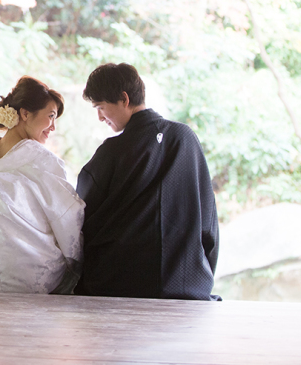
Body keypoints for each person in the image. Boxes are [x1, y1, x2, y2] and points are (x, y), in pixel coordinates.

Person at [75, 63, 220, 301]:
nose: (100, 117)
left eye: (101, 107)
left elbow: (80, 217)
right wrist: (200, 278)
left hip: (116, 287)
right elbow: (208, 224)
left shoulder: (112, 152)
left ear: (124, 99)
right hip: (186, 287)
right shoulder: (185, 140)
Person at [0, 76, 85, 294]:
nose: (53, 127)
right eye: (50, 116)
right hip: (32, 278)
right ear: (24, 114)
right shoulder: (41, 160)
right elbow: (67, 219)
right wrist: (76, 262)